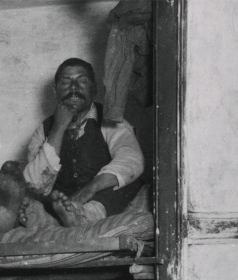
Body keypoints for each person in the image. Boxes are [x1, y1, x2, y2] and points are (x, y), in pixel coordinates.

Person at [19, 57, 145, 228]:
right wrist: (59, 127)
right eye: (65, 82)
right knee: (31, 193)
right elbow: (35, 184)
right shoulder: (44, 129)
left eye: (82, 81)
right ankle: (51, 220)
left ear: (94, 90)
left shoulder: (110, 120)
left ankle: (85, 215)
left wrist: (90, 189)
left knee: (127, 179)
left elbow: (131, 158)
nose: (74, 88)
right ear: (55, 90)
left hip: (101, 201)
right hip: (63, 203)